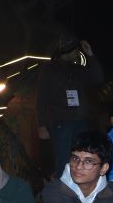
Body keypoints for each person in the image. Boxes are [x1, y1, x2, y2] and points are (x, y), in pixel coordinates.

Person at [36, 36, 104, 175]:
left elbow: (98, 78)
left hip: (81, 122)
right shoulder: (49, 70)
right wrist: (41, 125)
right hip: (61, 122)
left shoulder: (78, 69)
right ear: (67, 52)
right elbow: (41, 98)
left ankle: (80, 186)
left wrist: (90, 55)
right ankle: (63, 187)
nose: (78, 53)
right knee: (63, 162)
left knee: (82, 158)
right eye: (75, 50)